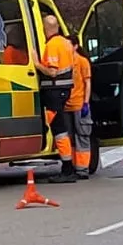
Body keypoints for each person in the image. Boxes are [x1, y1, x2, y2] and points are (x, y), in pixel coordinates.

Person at [34, 15, 77, 183]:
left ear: (45, 28)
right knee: (61, 129)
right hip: (64, 90)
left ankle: (67, 168)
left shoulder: (52, 45)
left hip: (54, 91)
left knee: (59, 131)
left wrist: (37, 64)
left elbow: (52, 71)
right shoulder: (66, 43)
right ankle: (68, 167)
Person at [67, 36, 94, 179]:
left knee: (82, 136)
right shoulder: (65, 61)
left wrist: (86, 102)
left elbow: (87, 83)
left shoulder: (82, 62)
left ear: (76, 46)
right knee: (69, 139)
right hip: (66, 106)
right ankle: (71, 166)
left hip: (79, 104)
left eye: (69, 45)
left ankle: (82, 169)